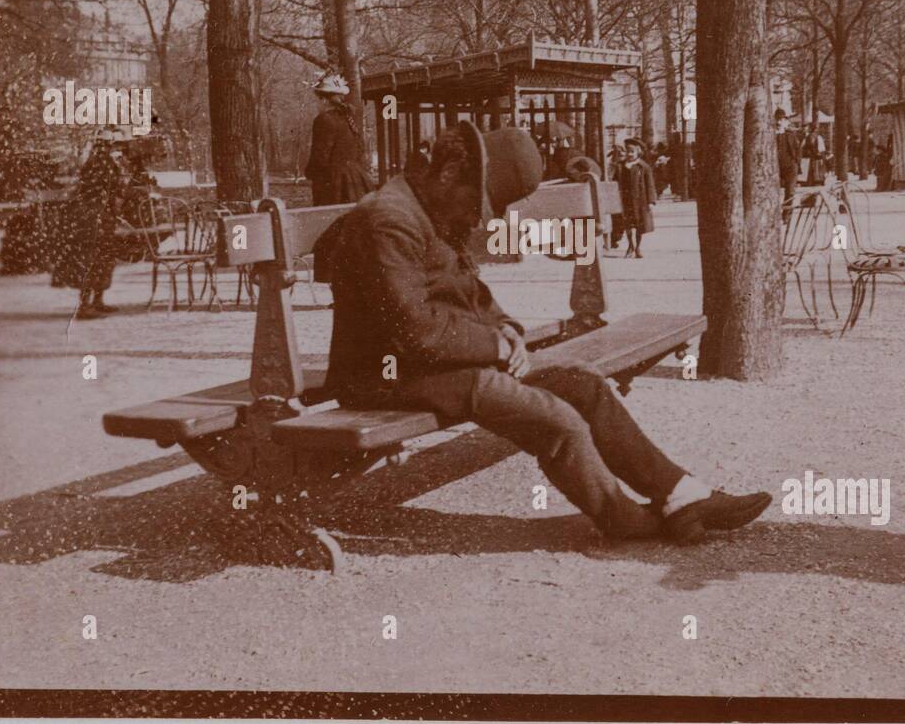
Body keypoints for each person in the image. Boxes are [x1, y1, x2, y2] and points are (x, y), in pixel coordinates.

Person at [318, 121, 773, 543]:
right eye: (475, 202)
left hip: (440, 365)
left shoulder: (426, 209)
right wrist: (494, 345)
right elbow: (411, 330)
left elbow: (473, 295)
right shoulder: (387, 220)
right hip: (386, 375)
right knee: (555, 418)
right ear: (451, 171)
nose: (478, 219)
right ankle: (620, 517)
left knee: (583, 386)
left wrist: (508, 331)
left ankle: (682, 496)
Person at [50, 127, 130, 318]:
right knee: (92, 260)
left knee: (103, 259)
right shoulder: (99, 164)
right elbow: (101, 190)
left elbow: (114, 189)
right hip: (94, 219)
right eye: (109, 145)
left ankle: (96, 300)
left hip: (101, 217)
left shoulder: (105, 163)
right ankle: (86, 304)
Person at [304, 68, 373, 207]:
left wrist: (310, 173)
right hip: (357, 180)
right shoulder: (347, 118)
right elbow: (359, 151)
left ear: (324, 100)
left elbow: (321, 156)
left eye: (317, 99)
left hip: (334, 184)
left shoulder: (324, 119)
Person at [618, 137, 656, 259]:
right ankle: (630, 246)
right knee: (628, 224)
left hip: (641, 200)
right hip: (625, 199)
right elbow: (615, 181)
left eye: (632, 152)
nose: (629, 154)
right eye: (627, 151)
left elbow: (650, 184)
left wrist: (651, 201)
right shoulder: (621, 166)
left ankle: (638, 247)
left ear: (638, 152)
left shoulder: (643, 167)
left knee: (640, 225)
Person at [774, 109, 801, 220]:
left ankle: (786, 215)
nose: (779, 122)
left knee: (790, 191)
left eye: (782, 119)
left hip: (790, 166)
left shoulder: (791, 134)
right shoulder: (769, 135)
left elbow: (798, 149)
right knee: (773, 191)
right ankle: (774, 215)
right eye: (777, 119)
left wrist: (796, 163)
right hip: (775, 167)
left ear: (786, 121)